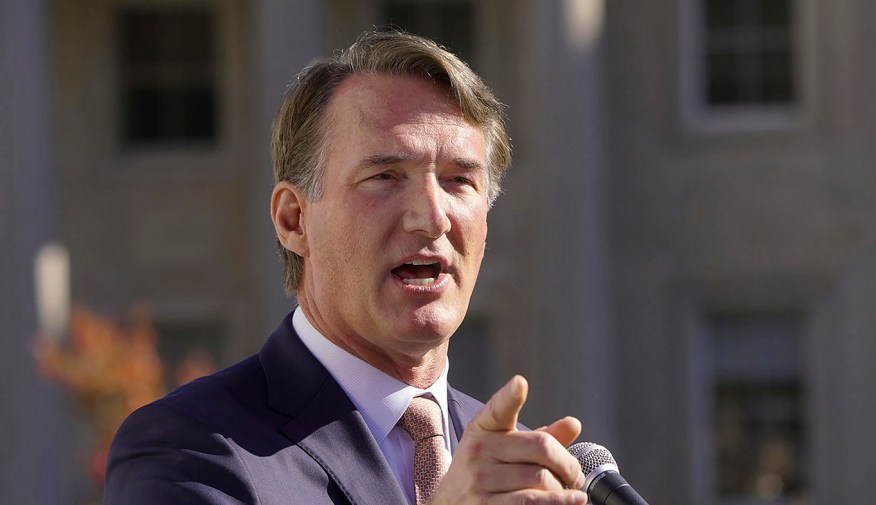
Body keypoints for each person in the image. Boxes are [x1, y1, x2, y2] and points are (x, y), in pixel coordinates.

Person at [105, 30, 588, 505]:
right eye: (384, 177)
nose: (432, 217)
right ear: (294, 220)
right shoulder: (189, 447)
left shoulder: (515, 468)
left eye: (459, 180)